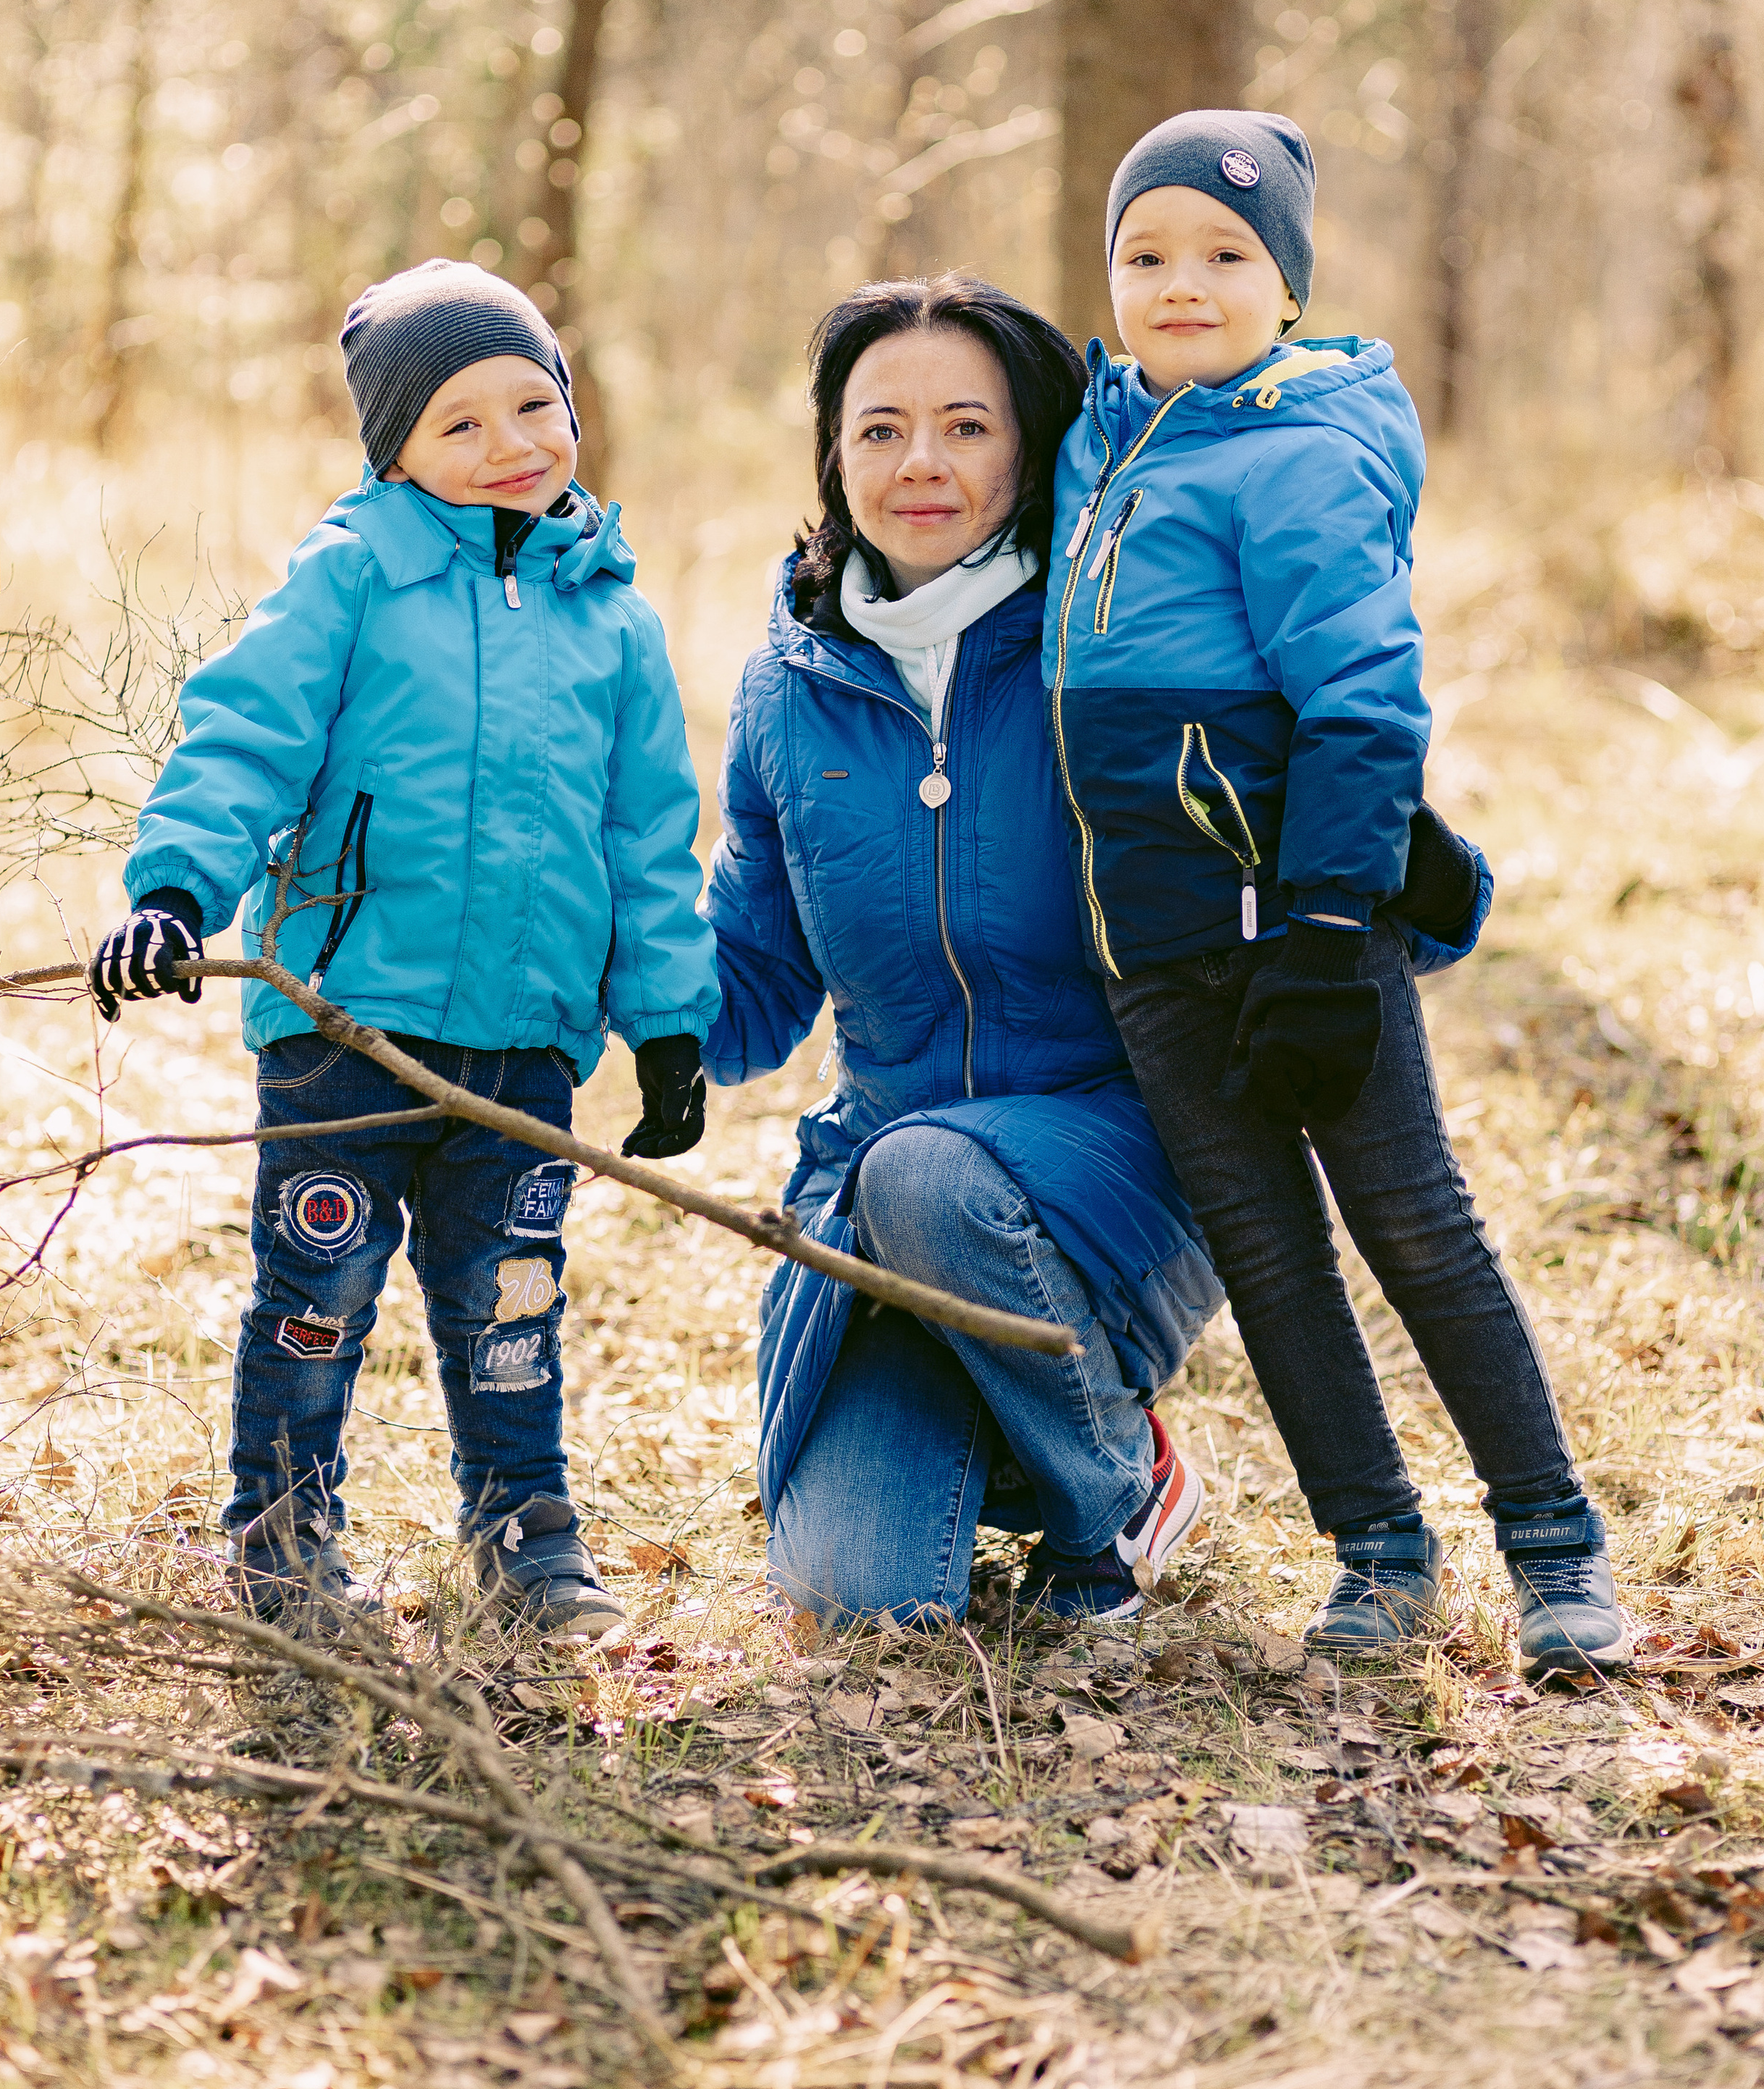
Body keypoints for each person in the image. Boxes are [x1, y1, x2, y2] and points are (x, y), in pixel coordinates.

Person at [1043, 109, 1629, 1683]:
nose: (1180, 283)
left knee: (1411, 1225)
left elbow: (1364, 704)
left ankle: (1554, 1545)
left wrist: (1321, 924)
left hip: (1299, 932)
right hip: (1152, 953)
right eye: (1144, 253)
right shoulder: (1102, 437)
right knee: (1263, 1252)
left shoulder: (1294, 449)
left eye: (1224, 255)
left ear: (1285, 286)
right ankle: (1374, 1547)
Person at [88, 261, 716, 1639]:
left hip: (527, 1036)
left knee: (513, 1300)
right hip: (346, 1018)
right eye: (461, 425)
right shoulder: (353, 576)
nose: (510, 447)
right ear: (398, 450)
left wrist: (669, 1021)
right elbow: (244, 738)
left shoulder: (614, 620)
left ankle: (524, 1524)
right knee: (320, 1290)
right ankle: (283, 1529)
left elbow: (648, 843)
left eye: (532, 407)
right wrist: (179, 895)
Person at [704, 272, 1224, 1630]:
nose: (918, 462)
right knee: (859, 1601)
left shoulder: (1114, 635)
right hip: (878, 1199)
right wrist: (583, 941)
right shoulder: (788, 684)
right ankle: (1022, 1427)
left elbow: (1290, 850)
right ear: (833, 455)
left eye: (965, 427)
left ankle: (1117, 1486)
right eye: (878, 430)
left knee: (935, 1170)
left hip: (1115, 1163)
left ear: (1033, 442)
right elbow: (749, 1000)